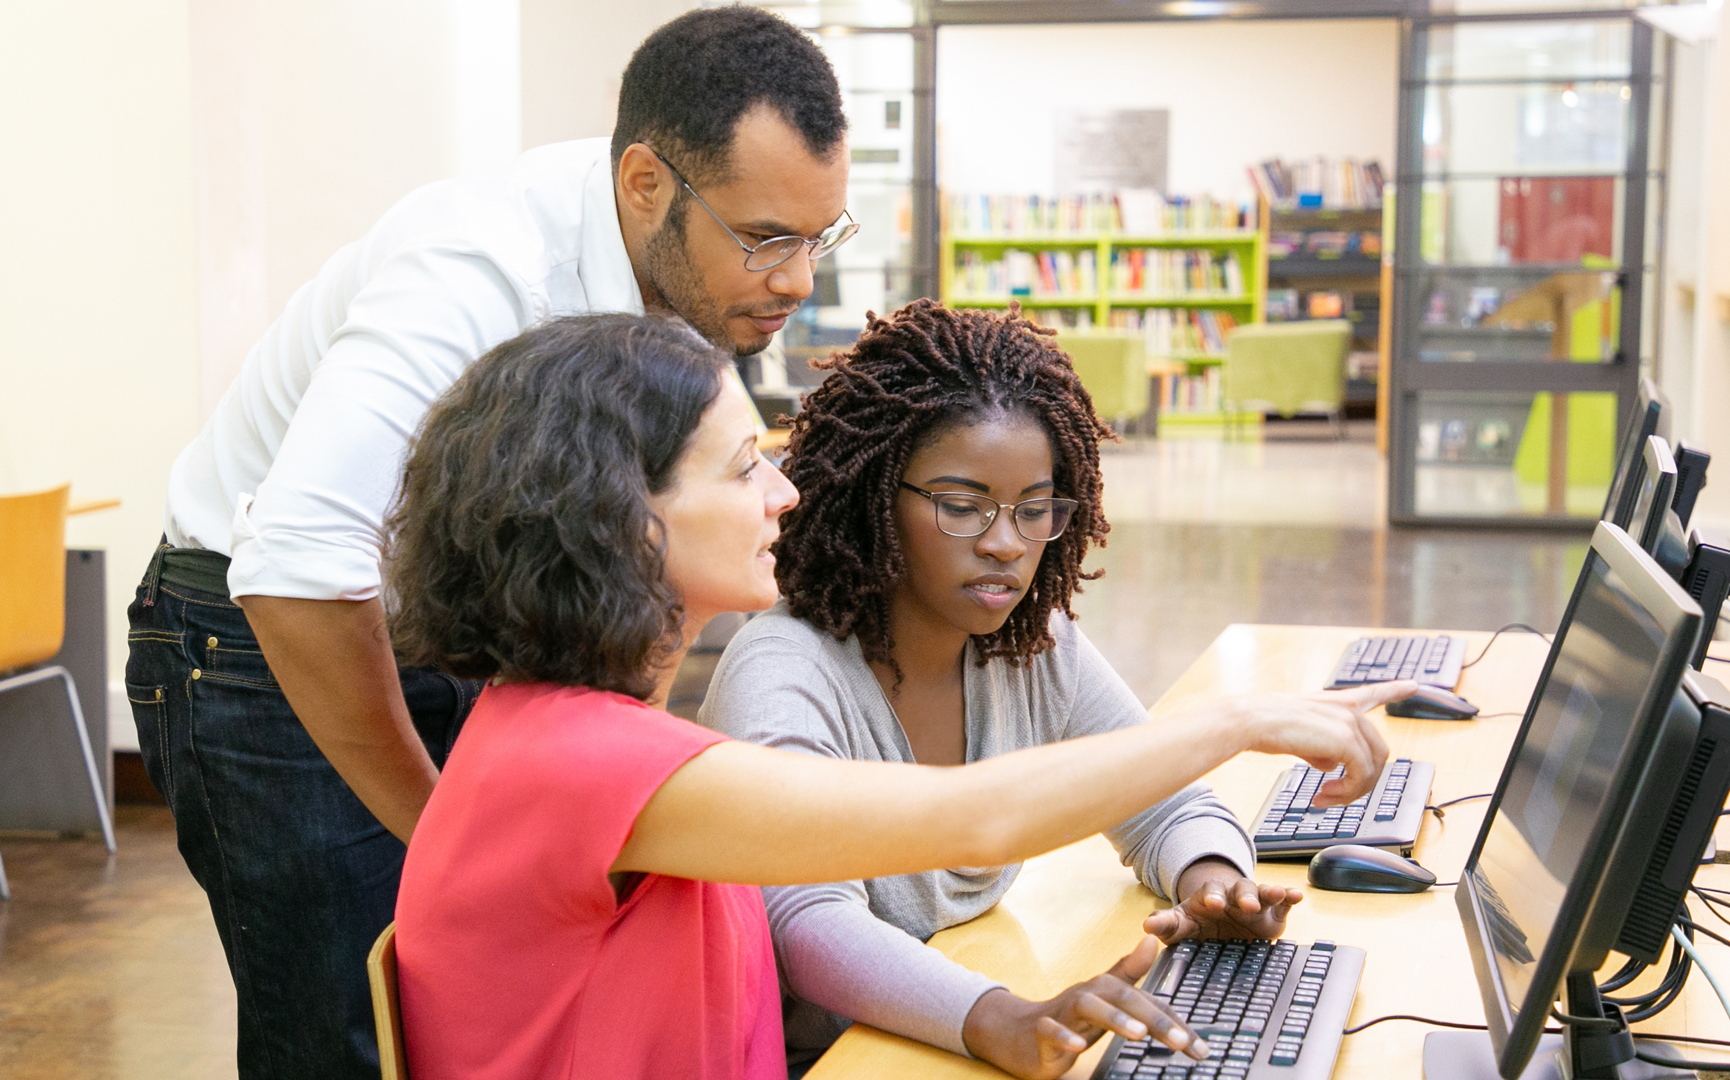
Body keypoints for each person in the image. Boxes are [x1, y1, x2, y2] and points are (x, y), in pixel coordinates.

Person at [387, 313, 1411, 1079]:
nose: (785, 494)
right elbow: (976, 815)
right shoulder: (590, 761)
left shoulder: (558, 731)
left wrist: (1204, 868)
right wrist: (1237, 720)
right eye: (747, 468)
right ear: (625, 517)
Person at [124, 8, 856, 1076]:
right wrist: (449, 838)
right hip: (253, 636)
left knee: (465, 1008)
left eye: (818, 238)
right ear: (647, 182)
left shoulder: (677, 273)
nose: (796, 280)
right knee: (351, 1028)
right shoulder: (481, 266)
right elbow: (292, 564)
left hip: (421, 622)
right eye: (765, 239)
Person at [696, 301, 1397, 1078]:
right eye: (963, 507)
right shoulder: (784, 667)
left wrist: (1214, 885)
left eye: (1035, 511)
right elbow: (805, 919)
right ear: (872, 496)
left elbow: (1162, 798)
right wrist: (997, 1017)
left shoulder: (1030, 642)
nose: (1005, 544)